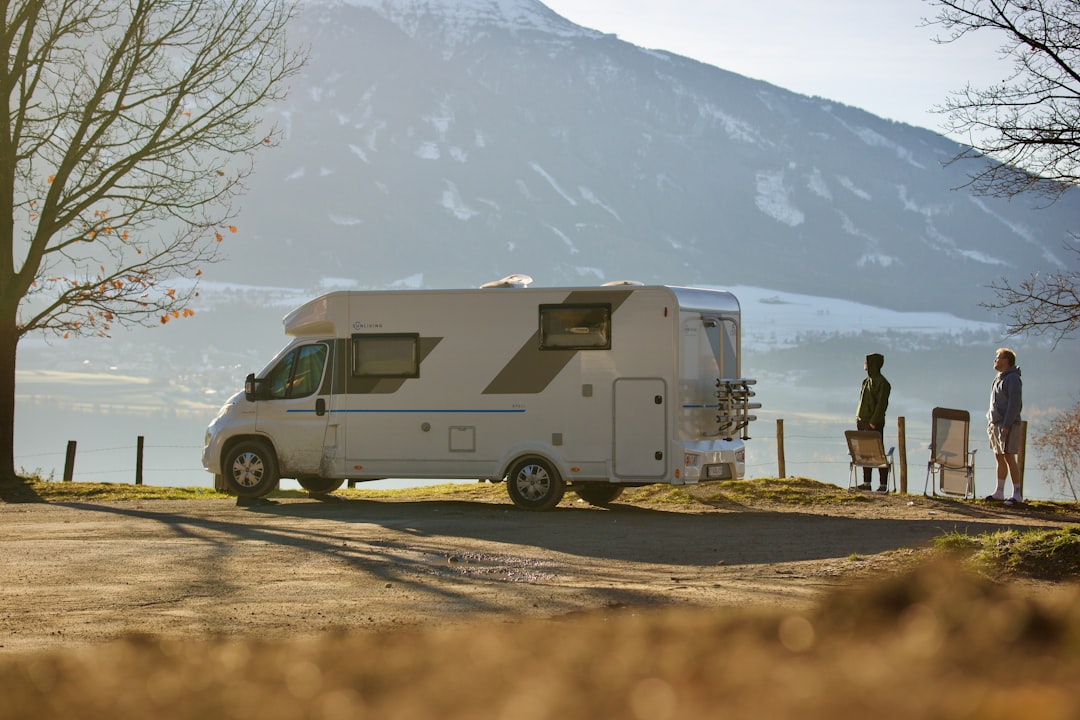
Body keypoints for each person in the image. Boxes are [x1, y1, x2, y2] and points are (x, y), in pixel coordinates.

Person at [985, 348, 1024, 505]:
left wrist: (1007, 424)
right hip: (995, 424)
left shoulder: (1013, 378)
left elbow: (1015, 404)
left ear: (1007, 360)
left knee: (1009, 456)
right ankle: (999, 492)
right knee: (999, 456)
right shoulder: (998, 378)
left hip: (1007, 424)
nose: (995, 360)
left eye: (998, 357)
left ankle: (1017, 494)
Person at [855, 353, 891, 492]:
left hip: (873, 423)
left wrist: (873, 422)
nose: (864, 364)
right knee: (865, 452)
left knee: (877, 452)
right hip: (862, 421)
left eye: (867, 361)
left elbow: (882, 404)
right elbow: (861, 401)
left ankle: (882, 484)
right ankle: (866, 483)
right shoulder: (865, 381)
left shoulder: (883, 383)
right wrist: (858, 418)